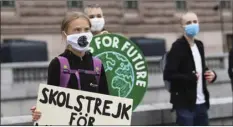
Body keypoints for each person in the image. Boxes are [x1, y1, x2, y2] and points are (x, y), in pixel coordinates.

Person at [31, 12, 109, 121]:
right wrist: (40, 112)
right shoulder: (57, 64)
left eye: (86, 29)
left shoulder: (98, 65)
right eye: (77, 30)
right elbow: (50, 104)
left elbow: (107, 104)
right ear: (65, 35)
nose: (82, 34)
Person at [163, 12, 217, 126]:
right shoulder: (177, 46)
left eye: (195, 22)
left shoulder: (199, 45)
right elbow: (168, 74)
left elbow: (200, 67)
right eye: (188, 23)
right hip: (185, 105)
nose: (193, 24)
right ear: (182, 27)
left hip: (202, 104)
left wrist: (212, 74)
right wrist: (189, 78)